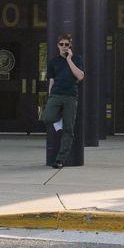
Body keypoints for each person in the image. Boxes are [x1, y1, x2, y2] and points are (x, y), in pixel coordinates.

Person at [42, 33, 85, 167]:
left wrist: (69, 60)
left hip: (70, 96)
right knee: (47, 117)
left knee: (68, 130)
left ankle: (60, 160)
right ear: (58, 45)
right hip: (56, 95)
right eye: (62, 44)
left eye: (67, 44)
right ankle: (59, 117)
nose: (64, 47)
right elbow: (51, 81)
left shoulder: (76, 59)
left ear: (70, 45)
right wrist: (50, 97)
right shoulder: (53, 62)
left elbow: (80, 76)